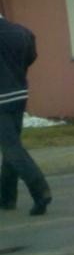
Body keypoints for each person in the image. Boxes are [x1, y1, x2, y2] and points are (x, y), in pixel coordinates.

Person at [0, 13, 52, 216]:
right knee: (11, 144)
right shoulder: (21, 32)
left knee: (11, 148)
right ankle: (6, 198)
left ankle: (40, 190)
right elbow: (30, 56)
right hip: (19, 95)